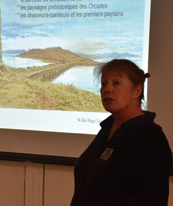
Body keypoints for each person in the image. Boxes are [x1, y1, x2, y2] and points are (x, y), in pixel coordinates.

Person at [70, 59, 172, 206]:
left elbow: (151, 200)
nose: (107, 89)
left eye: (116, 83)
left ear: (137, 91)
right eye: (104, 83)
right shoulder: (107, 129)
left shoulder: (149, 136)